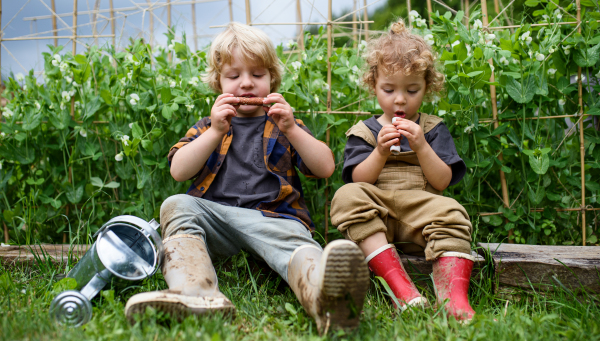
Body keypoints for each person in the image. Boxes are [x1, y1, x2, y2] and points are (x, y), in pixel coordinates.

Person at [124, 22, 369, 334]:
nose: (246, 84)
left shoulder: (283, 124)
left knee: (298, 248)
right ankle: (195, 292)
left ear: (272, 79)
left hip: (276, 222)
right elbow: (179, 171)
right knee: (177, 205)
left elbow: (325, 169)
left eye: (257, 74)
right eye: (234, 75)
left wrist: (292, 128)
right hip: (220, 224)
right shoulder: (208, 126)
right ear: (218, 82)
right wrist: (215, 131)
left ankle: (326, 298)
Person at [330, 19, 476, 322]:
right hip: (376, 217)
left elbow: (442, 181)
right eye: (389, 89)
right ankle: (403, 292)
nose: (400, 99)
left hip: (420, 215)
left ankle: (453, 299)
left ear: (427, 87)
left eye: (412, 90)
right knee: (346, 196)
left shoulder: (432, 128)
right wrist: (380, 151)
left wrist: (421, 145)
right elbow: (360, 180)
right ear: (374, 85)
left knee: (453, 212)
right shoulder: (364, 132)